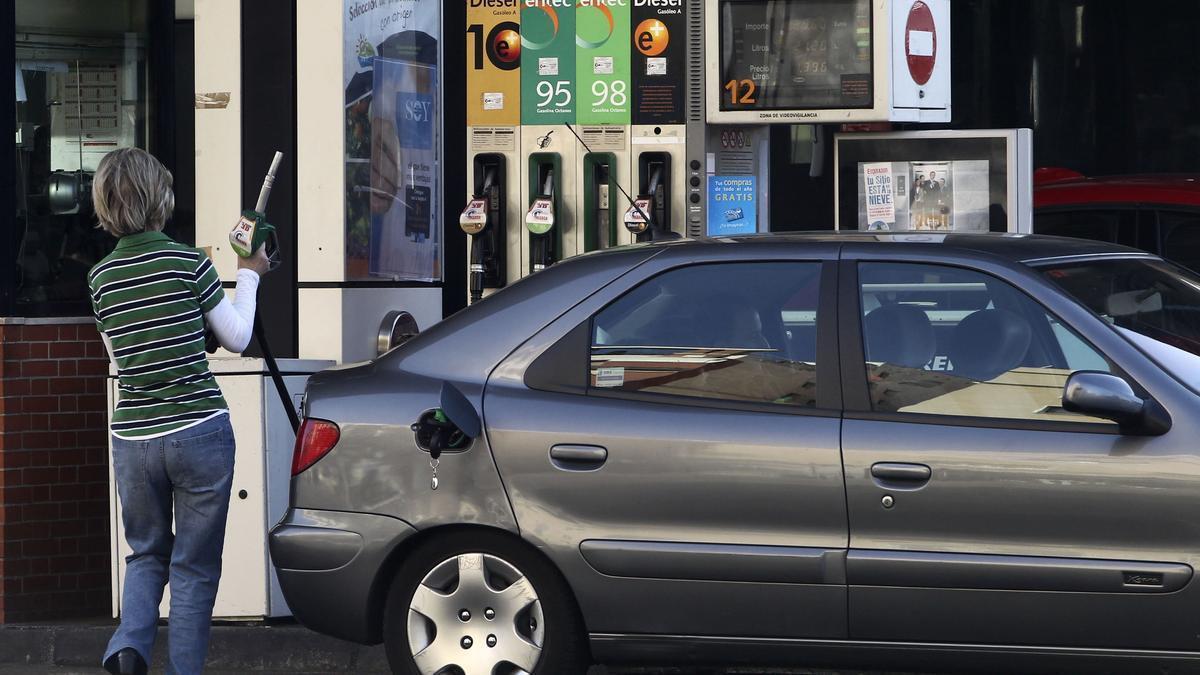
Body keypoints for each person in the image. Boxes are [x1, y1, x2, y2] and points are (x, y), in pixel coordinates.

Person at [88, 148, 269, 675]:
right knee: (193, 566)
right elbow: (236, 338)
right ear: (159, 200)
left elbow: (122, 359)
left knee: (146, 554)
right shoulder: (190, 262)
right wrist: (250, 272)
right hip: (198, 431)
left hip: (134, 438)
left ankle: (128, 647)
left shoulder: (101, 277)